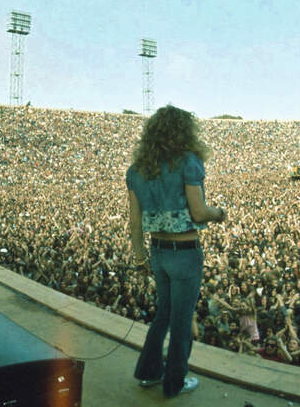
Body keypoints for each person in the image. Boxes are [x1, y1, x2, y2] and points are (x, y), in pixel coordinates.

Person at [126, 105, 227, 397]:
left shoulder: (136, 171)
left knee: (163, 313)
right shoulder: (188, 162)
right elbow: (198, 212)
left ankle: (147, 372)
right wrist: (219, 213)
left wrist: (139, 257)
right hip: (184, 252)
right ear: (184, 131)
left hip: (157, 252)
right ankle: (174, 383)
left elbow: (134, 222)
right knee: (182, 321)